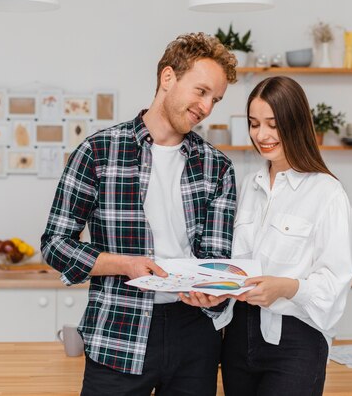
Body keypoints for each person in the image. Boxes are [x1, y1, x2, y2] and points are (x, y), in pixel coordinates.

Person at [41, 32, 238, 396]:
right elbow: (55, 244)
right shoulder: (98, 152)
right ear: (168, 78)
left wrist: (214, 290)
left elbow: (215, 258)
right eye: (201, 91)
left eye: (216, 99)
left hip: (194, 334)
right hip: (118, 325)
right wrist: (124, 264)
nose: (207, 107)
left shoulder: (218, 167)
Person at [181, 76, 352, 395]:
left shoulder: (327, 193)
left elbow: (336, 282)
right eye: (254, 123)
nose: (262, 135)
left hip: (296, 343)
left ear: (295, 123)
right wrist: (218, 291)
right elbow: (236, 266)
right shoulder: (248, 186)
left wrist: (287, 287)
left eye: (273, 124)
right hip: (236, 338)